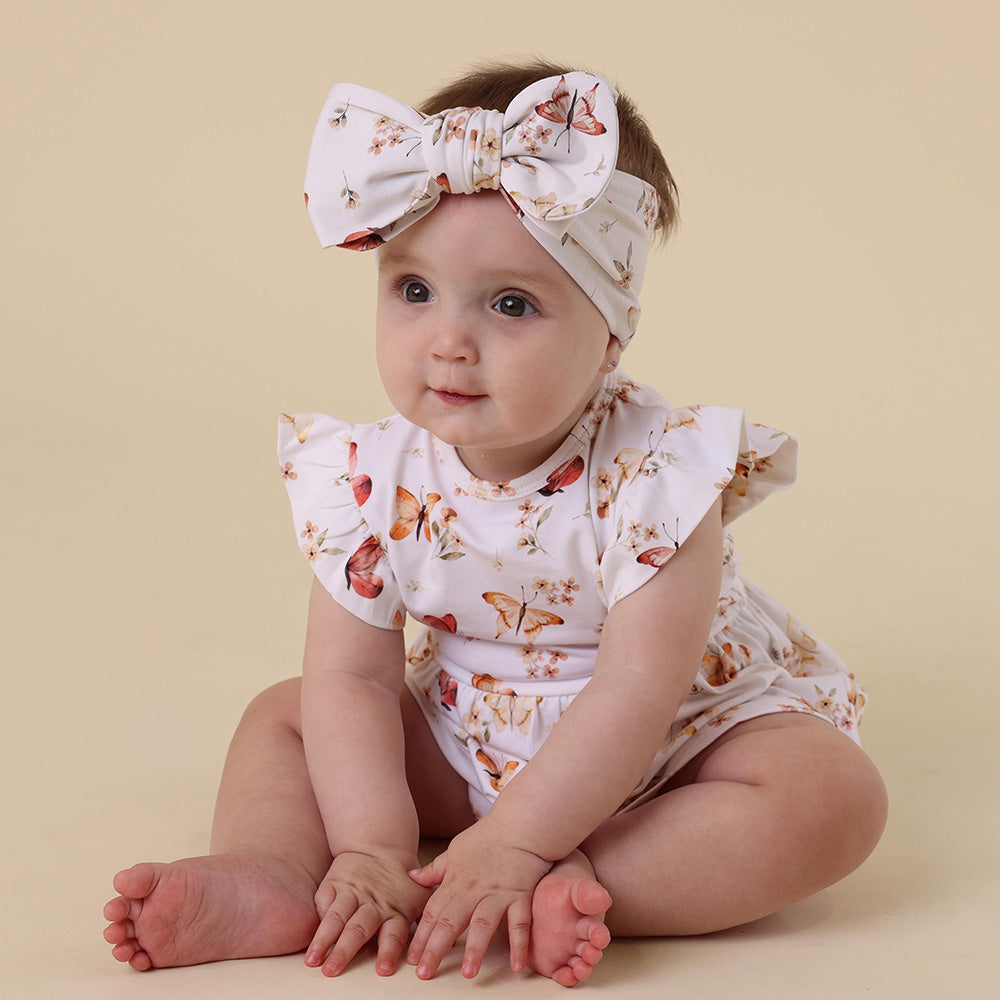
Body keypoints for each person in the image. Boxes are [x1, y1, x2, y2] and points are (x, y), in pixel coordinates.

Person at [103, 60, 887, 988]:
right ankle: (276, 872)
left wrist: (518, 839)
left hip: (672, 747)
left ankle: (590, 880)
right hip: (464, 729)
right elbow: (354, 678)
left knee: (828, 795)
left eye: (511, 305)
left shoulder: (662, 473)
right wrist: (369, 844)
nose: (448, 342)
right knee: (288, 715)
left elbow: (638, 690)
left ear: (610, 333)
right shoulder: (365, 477)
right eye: (414, 291)